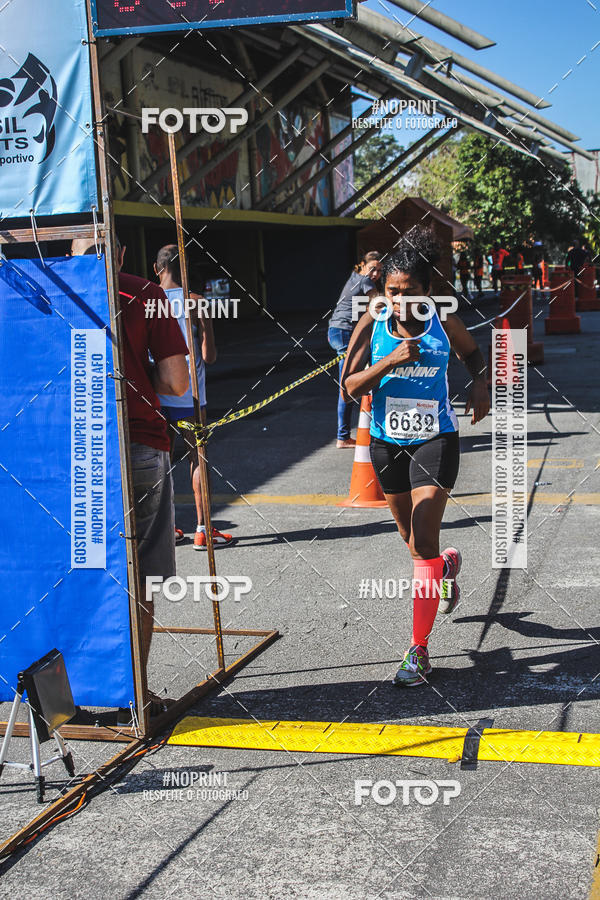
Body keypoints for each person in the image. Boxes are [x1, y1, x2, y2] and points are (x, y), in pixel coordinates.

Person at [341, 228, 490, 687]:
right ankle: (444, 567)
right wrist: (391, 361)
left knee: (422, 540)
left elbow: (473, 355)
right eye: (392, 291)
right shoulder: (372, 321)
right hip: (386, 444)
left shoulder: (443, 320)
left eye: (409, 292)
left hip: (436, 438)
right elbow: (349, 385)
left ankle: (418, 650)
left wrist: (481, 385)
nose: (400, 301)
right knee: (413, 543)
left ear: (428, 290)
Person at [71, 237, 189, 714]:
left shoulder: (44, 292)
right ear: (120, 253)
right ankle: (134, 694)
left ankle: (69, 691)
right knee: (139, 573)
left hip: (70, 451)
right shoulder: (145, 294)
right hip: (137, 440)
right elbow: (177, 381)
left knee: (79, 568)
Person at [154, 244, 233, 550]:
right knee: (197, 459)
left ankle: (165, 529)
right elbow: (209, 356)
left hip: (158, 394)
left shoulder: (148, 300)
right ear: (184, 268)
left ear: (156, 268)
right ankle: (203, 529)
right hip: (190, 396)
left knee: (157, 462)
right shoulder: (197, 302)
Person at [328, 251, 382, 448]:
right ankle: (343, 437)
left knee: (351, 381)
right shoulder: (364, 281)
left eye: (379, 270)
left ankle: (347, 434)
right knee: (347, 384)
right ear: (362, 265)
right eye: (372, 268)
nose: (375, 274)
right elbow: (380, 304)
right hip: (344, 332)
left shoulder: (355, 277)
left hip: (336, 330)